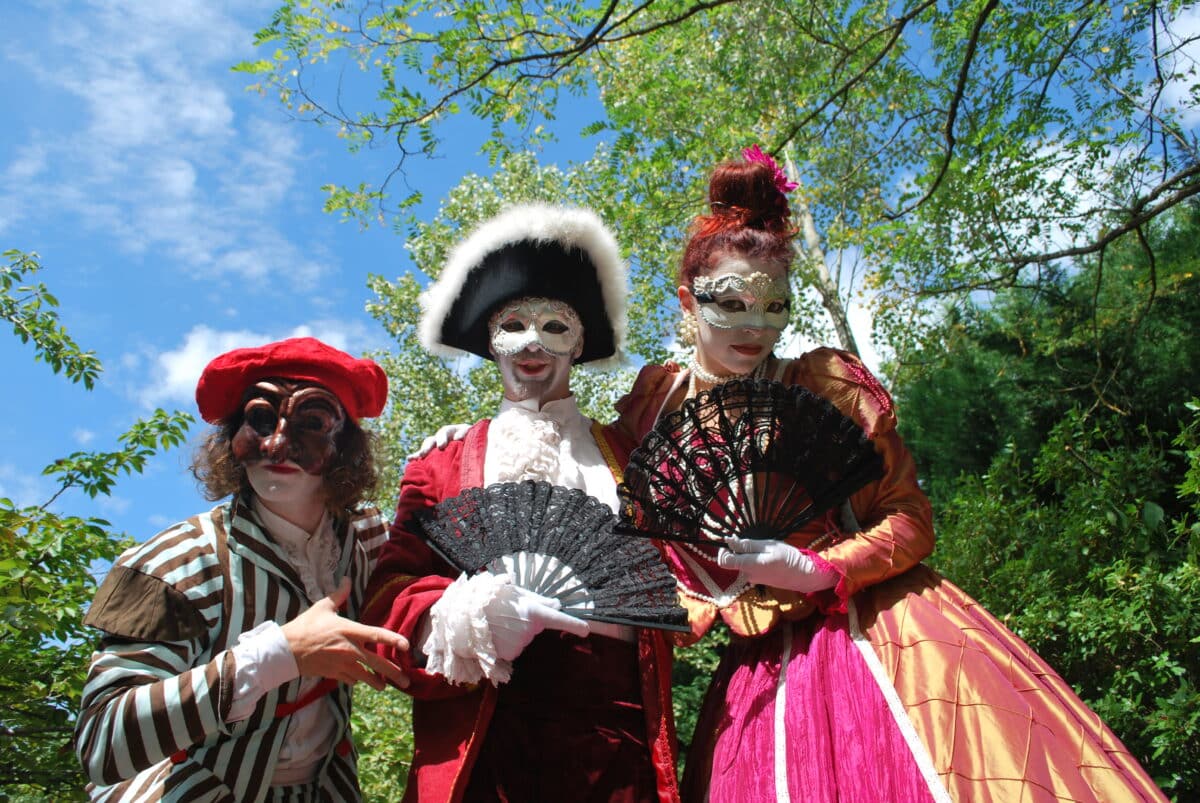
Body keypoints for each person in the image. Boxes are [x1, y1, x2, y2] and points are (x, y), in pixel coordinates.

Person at [606, 147, 1167, 802]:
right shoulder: (653, 409)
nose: (755, 326)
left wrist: (820, 568)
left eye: (773, 305)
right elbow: (608, 497)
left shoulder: (823, 387)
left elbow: (909, 517)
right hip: (754, 670)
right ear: (688, 301)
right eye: (732, 304)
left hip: (874, 632)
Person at [361, 203, 681, 802]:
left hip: (618, 742)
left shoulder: (628, 456)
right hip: (487, 731)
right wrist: (468, 617)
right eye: (514, 325)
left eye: (555, 327)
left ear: (579, 342)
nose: (533, 342)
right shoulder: (442, 463)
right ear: (491, 340)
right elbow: (387, 597)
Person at [74, 336, 410, 802]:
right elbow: (102, 742)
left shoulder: (370, 542)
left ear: (347, 446)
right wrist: (278, 655)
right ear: (233, 438)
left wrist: (467, 443)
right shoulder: (177, 562)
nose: (277, 443)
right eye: (261, 420)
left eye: (312, 422)